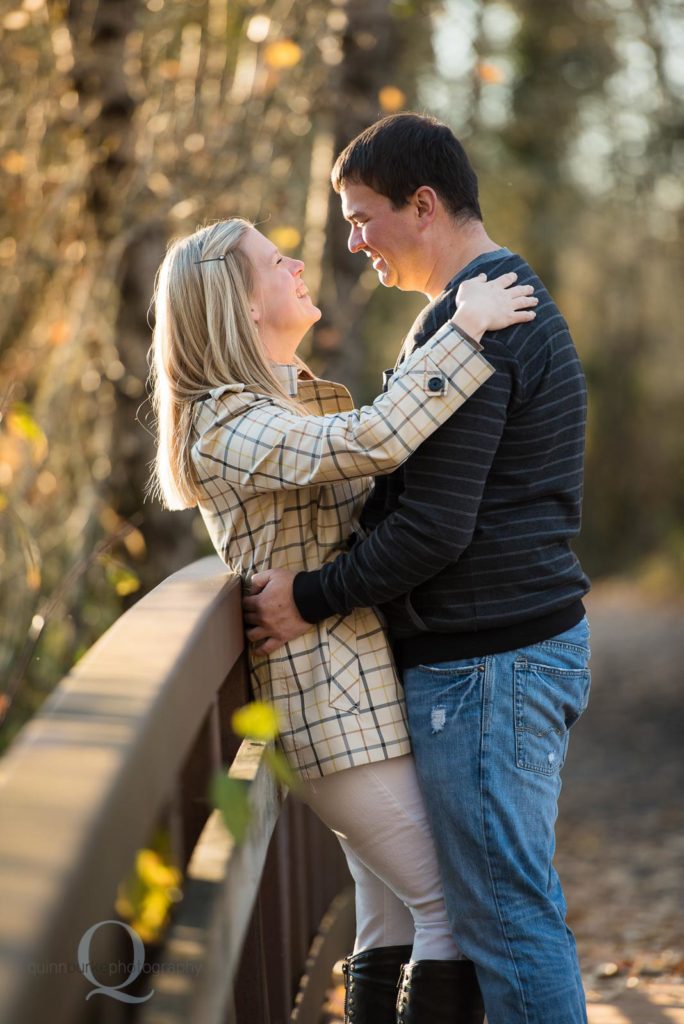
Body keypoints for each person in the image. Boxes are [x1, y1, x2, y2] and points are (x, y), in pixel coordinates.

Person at [243, 114, 592, 1024]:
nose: (353, 243)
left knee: (508, 921)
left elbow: (432, 526)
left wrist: (311, 596)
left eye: (363, 219)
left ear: (423, 205)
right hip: (506, 656)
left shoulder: (478, 319)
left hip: (489, 665)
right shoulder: (489, 305)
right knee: (503, 911)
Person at [146, 216, 538, 1023]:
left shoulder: (287, 401)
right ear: (240, 304)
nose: (295, 264)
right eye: (273, 259)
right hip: (330, 700)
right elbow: (372, 443)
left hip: (365, 682)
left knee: (391, 916)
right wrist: (463, 330)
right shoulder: (225, 424)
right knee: (451, 911)